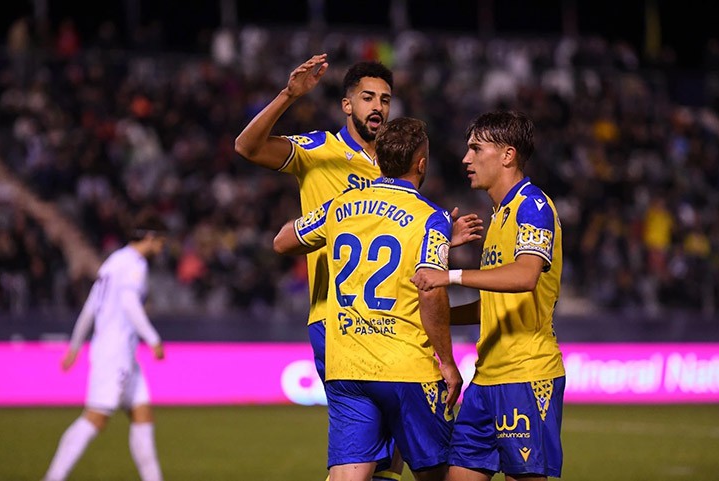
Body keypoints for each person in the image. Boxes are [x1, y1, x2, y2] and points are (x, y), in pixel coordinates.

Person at [235, 54, 480, 481]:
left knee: (382, 461)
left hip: (393, 319)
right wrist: (289, 95)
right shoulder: (319, 150)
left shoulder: (391, 163)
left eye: (386, 99)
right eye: (368, 97)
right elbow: (247, 147)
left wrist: (440, 235)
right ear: (347, 105)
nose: (378, 107)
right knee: (383, 458)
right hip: (335, 319)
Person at [274, 117, 463, 481]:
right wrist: (448, 361)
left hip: (346, 365)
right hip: (405, 366)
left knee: (348, 476)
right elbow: (431, 290)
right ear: (421, 164)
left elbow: (282, 242)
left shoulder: (340, 206)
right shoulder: (431, 218)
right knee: (439, 474)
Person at [411, 110, 565, 481]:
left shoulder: (533, 206)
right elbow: (497, 302)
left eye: (476, 149)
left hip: (525, 376)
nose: (466, 159)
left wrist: (449, 276)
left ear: (507, 155)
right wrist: (438, 317)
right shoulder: (499, 215)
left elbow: (526, 276)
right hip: (485, 380)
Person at [42, 210, 169, 481]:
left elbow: (90, 307)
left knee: (143, 415)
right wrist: (154, 339)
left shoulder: (113, 261)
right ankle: (53, 477)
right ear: (149, 237)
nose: (161, 249)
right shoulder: (135, 265)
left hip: (119, 353)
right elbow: (129, 304)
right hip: (116, 353)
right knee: (95, 418)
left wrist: (75, 347)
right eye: (160, 242)